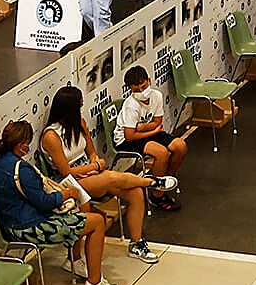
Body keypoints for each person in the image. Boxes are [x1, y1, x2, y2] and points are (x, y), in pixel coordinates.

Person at [38, 86, 174, 265]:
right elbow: (66, 172)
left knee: (135, 193)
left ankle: (137, 243)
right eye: (78, 105)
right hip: (67, 182)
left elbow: (92, 151)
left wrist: (95, 161)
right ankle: (151, 181)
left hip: (88, 172)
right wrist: (93, 166)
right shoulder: (51, 135)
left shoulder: (80, 123)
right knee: (110, 177)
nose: (81, 107)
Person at [0, 120, 115, 285]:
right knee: (97, 221)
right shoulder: (21, 169)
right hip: (30, 228)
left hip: (12, 224)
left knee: (82, 217)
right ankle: (95, 281)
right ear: (22, 145)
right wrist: (67, 193)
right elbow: (45, 202)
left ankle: (75, 261)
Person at [116, 66, 188, 205]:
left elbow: (158, 121)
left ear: (149, 81)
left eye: (144, 86)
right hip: (125, 140)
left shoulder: (157, 96)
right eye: (136, 90)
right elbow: (129, 136)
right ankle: (157, 195)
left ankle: (166, 179)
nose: (142, 92)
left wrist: (142, 127)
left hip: (144, 133)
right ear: (130, 90)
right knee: (161, 153)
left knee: (180, 146)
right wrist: (153, 131)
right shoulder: (131, 105)